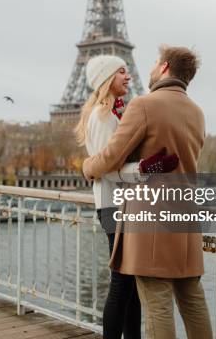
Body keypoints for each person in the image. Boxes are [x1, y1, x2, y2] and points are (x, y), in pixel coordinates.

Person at [82, 46, 213, 339]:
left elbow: (110, 157)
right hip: (186, 216)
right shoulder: (197, 112)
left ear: (165, 68)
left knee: (157, 303)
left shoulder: (143, 105)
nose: (149, 69)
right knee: (193, 300)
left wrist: (87, 167)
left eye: (155, 63)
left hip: (150, 219)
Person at [74, 55, 179, 339]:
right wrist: (147, 168)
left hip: (122, 206)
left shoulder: (114, 112)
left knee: (130, 284)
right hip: (114, 206)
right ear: (107, 78)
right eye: (121, 72)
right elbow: (107, 169)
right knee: (122, 283)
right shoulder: (103, 116)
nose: (128, 75)